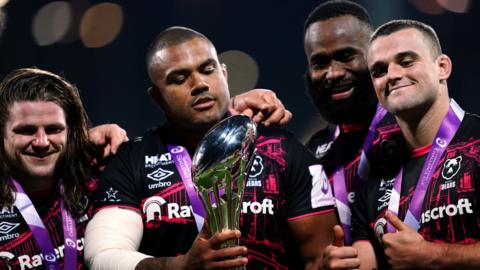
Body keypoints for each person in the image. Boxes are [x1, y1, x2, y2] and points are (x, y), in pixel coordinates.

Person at [84, 26, 338, 270]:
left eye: (208, 69)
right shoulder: (131, 161)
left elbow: (318, 258)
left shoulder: (281, 149)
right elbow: (103, 257)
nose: (199, 84)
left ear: (224, 74)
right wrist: (180, 267)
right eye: (179, 78)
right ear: (157, 97)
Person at [328, 19, 480, 269]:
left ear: (442, 67)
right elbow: (364, 259)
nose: (393, 75)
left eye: (407, 61)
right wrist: (338, 263)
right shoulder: (374, 173)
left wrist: (433, 256)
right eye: (379, 71)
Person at [0, 68, 129, 269]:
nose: (42, 142)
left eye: (54, 129)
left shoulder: (100, 181)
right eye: (26, 130)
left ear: (71, 132)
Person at [303, 0, 399, 252]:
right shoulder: (312, 155)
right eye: (320, 63)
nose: (333, 73)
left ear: (373, 56)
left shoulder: (412, 133)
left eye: (346, 56)